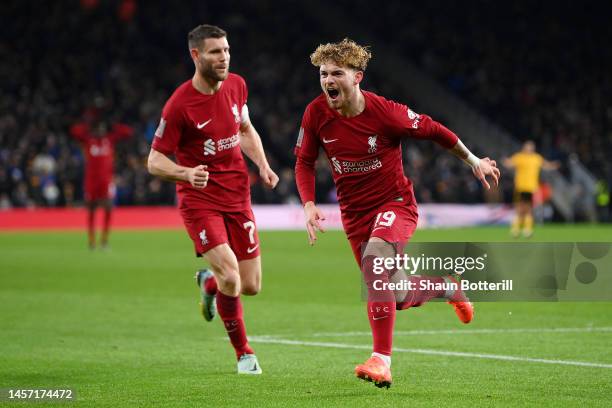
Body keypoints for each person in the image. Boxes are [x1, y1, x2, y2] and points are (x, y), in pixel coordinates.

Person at [294, 39, 500, 388]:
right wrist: (309, 204)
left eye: (336, 73)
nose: (328, 80)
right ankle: (446, 288)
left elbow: (435, 130)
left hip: (395, 205)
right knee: (398, 294)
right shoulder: (316, 113)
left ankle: (381, 360)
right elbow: (303, 161)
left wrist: (473, 160)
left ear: (357, 77)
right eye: (323, 74)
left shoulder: (386, 113)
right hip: (356, 216)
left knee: (376, 264)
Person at [147, 24, 278, 375]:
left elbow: (245, 129)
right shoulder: (179, 105)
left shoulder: (237, 85)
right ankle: (244, 355)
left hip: (238, 194)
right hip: (200, 200)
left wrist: (263, 165)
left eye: (227, 50)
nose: (224, 57)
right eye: (215, 52)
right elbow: (154, 160)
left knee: (250, 285)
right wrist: (186, 173)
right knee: (232, 278)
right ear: (196, 55)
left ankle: (208, 281)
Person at [70, 118, 133, 249]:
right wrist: (87, 124)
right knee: (91, 210)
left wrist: (114, 124)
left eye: (102, 129)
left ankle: (104, 241)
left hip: (105, 182)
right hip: (91, 182)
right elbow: (74, 131)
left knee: (109, 208)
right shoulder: (88, 140)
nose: (100, 131)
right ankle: (92, 241)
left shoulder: (109, 140)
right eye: (98, 129)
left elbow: (128, 132)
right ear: (94, 130)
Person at [503, 140, 559, 237]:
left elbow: (546, 165)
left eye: (531, 147)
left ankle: (527, 230)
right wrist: (504, 161)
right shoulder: (519, 157)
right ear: (524, 148)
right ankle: (515, 229)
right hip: (520, 187)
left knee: (529, 209)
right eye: (528, 147)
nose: (529, 149)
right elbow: (509, 164)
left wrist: (554, 165)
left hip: (531, 188)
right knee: (519, 208)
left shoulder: (536, 158)